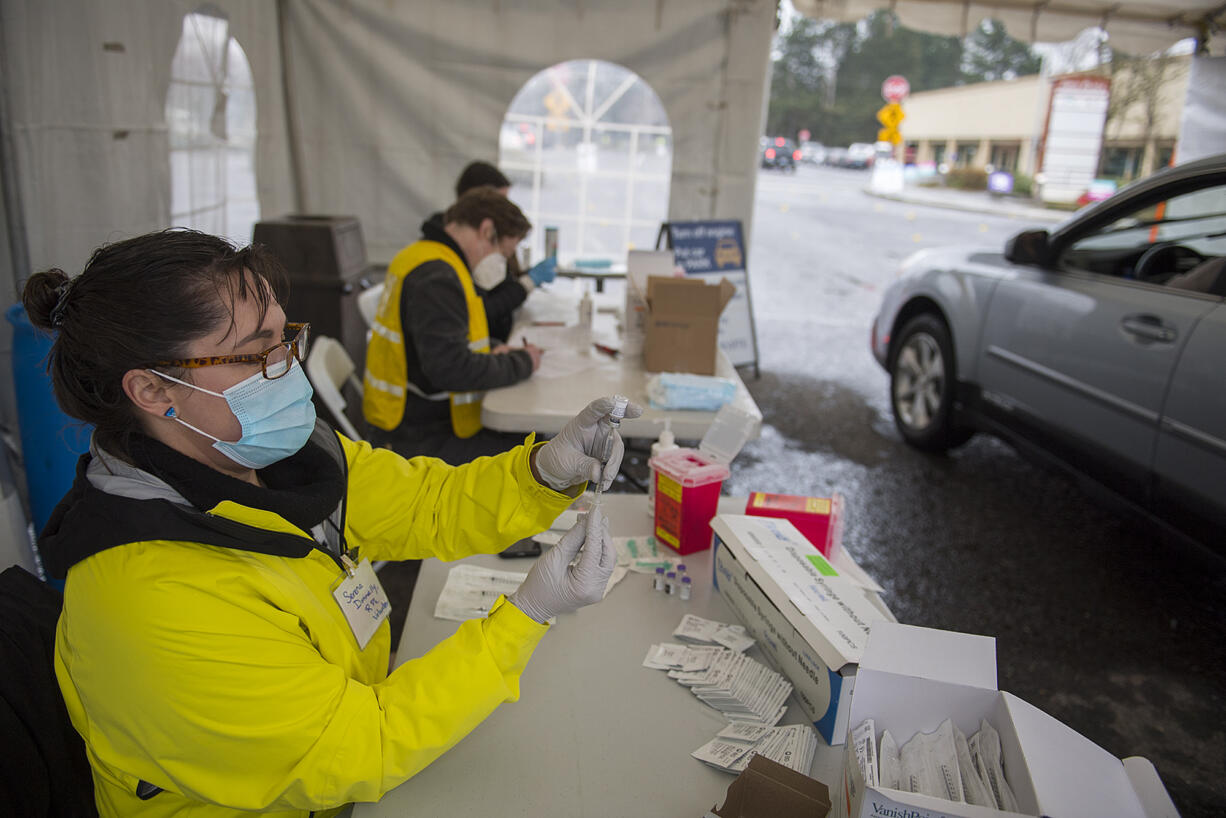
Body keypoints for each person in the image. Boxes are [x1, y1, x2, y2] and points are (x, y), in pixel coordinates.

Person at [25, 228, 642, 818]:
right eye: (252, 354)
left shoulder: (277, 457)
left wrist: (545, 470)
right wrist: (524, 616)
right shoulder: (153, 600)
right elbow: (361, 744)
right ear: (152, 391)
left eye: (283, 338)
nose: (287, 369)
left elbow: (426, 502)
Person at [364, 188, 544, 463]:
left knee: (532, 440)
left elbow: (444, 341)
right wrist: (524, 362)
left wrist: (494, 349)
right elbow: (451, 369)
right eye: (504, 253)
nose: (503, 264)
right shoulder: (439, 278)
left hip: (412, 420)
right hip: (419, 438)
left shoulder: (424, 256)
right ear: (486, 230)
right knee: (535, 453)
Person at [448, 160, 557, 345]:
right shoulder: (445, 264)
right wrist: (528, 282)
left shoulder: (484, 240)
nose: (504, 207)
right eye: (498, 201)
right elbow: (482, 312)